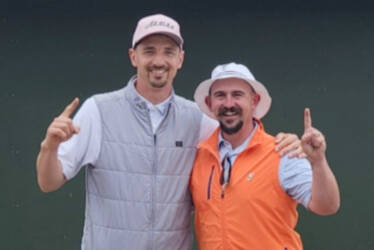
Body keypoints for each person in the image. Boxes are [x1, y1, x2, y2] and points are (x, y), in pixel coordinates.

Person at [36, 14, 303, 250]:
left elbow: (243, 145)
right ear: (133, 57)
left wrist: (286, 143)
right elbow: (48, 183)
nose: (159, 61)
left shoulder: (198, 120)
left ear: (180, 59)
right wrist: (48, 148)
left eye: (168, 51)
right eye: (149, 51)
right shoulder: (97, 111)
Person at [190, 62, 341, 250]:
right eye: (220, 95)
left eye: (237, 94)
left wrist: (318, 162)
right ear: (209, 103)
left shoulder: (283, 152)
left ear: (254, 101)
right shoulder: (199, 157)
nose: (229, 104)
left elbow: (327, 206)